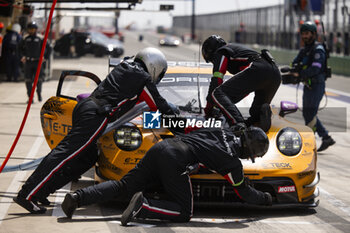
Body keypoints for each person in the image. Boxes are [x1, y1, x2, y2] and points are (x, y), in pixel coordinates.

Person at [13, 47, 177, 214]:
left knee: (87, 158)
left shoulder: (124, 66)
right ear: (154, 65)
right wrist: (181, 124)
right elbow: (160, 105)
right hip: (96, 115)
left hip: (85, 107)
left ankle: (41, 191)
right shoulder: (142, 79)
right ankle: (27, 194)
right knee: (63, 154)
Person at [61, 126, 272, 225]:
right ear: (249, 151)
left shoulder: (222, 132)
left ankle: (78, 198)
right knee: (184, 213)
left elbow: (202, 147)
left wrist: (196, 165)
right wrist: (265, 199)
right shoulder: (232, 163)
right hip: (176, 160)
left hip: (162, 147)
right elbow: (244, 191)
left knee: (123, 185)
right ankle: (144, 205)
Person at [201, 35, 281, 132]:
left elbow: (216, 81)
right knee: (255, 112)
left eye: (212, 61)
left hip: (258, 68)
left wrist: (208, 109)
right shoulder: (237, 50)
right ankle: (258, 118)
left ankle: (237, 124)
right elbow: (243, 89)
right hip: (275, 73)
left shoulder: (221, 51)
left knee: (217, 93)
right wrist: (224, 104)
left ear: (211, 53)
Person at [291, 21, 335, 152]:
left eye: (307, 33)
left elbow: (316, 68)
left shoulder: (318, 50)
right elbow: (295, 62)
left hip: (316, 85)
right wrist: (295, 69)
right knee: (308, 113)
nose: (304, 36)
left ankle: (310, 141)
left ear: (314, 34)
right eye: (303, 33)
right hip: (308, 85)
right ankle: (325, 137)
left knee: (310, 113)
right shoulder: (305, 50)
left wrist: (300, 73)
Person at [20, 22, 50, 102]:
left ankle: (39, 93)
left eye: (33, 29)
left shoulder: (40, 38)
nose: (31, 31)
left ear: (36, 29)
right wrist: (22, 56)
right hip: (28, 62)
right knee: (28, 80)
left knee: (39, 80)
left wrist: (45, 57)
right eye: (30, 29)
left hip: (38, 62)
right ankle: (30, 97)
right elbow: (19, 48)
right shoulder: (25, 38)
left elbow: (49, 48)